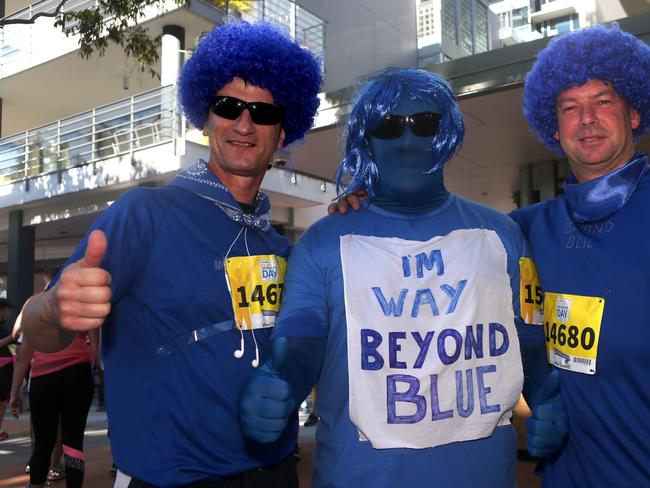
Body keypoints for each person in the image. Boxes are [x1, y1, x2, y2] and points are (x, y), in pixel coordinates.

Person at [19, 20, 322, 488]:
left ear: (282, 132)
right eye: (228, 106)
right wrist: (55, 308)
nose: (244, 124)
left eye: (263, 113)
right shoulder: (143, 215)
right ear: (205, 116)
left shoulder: (280, 247)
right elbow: (41, 331)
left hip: (275, 475)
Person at [241, 67, 561, 487]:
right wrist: (278, 382)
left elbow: (532, 344)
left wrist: (548, 401)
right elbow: (299, 346)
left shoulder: (503, 234)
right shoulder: (323, 241)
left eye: (424, 123)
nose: (408, 140)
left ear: (447, 130)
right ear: (366, 138)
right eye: (388, 126)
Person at [511, 24, 650, 486]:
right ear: (554, 127)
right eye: (571, 107)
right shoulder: (525, 229)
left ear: (634, 113)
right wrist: (372, 203)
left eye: (604, 101)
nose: (587, 118)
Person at [9, 321, 98, 488]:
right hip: (78, 374)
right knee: (74, 443)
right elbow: (96, 348)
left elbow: (22, 356)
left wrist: (14, 394)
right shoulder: (83, 306)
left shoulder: (35, 306)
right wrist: (101, 374)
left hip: (43, 378)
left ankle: (36, 485)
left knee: (42, 443)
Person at [0, 298, 15, 441]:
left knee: (3, 399)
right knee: (2, 400)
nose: (9, 313)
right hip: (2, 365)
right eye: (8, 310)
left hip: (7, 365)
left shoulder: (5, 325)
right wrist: (11, 337)